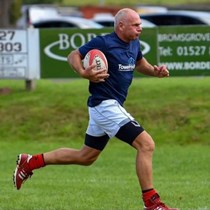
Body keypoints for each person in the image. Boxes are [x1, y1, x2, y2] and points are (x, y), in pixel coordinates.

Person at [13, 8, 178, 210]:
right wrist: (84, 72)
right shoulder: (104, 43)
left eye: (140, 24)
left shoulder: (133, 43)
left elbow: (140, 63)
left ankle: (30, 162)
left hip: (106, 107)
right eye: (135, 25)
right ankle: (152, 204)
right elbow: (73, 55)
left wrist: (156, 71)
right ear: (121, 26)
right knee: (146, 145)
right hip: (105, 104)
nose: (140, 28)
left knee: (86, 157)